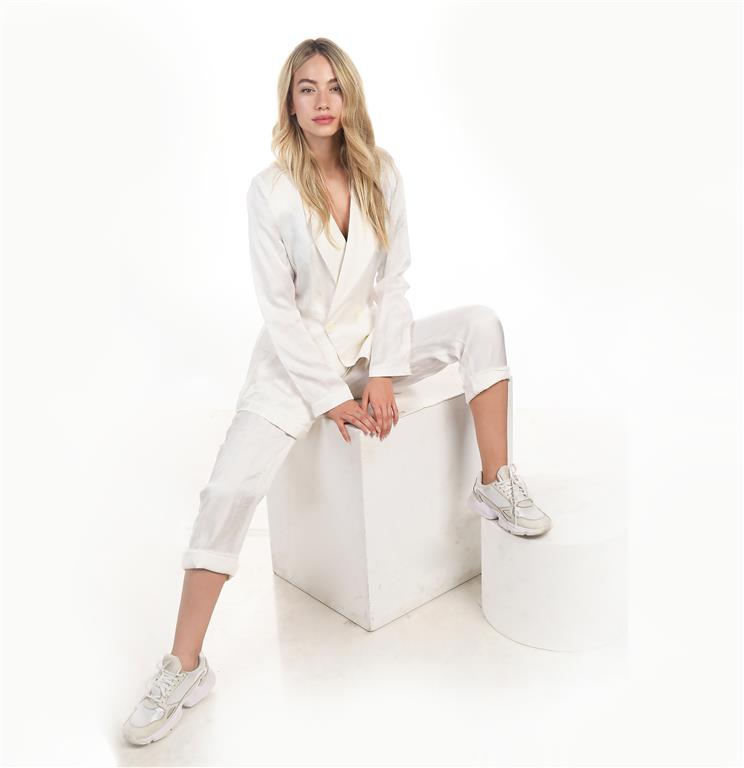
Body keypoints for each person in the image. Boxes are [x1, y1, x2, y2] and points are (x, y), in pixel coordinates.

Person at [122, 36, 551, 747]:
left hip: (369, 347)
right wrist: (331, 398)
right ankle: (185, 666)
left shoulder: (382, 171)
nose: (323, 101)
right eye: (307, 88)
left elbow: (396, 281)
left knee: (480, 324)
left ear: (350, 97)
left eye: (334, 87)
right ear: (289, 103)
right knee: (227, 489)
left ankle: (495, 483)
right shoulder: (268, 191)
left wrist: (383, 370)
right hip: (295, 367)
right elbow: (280, 313)